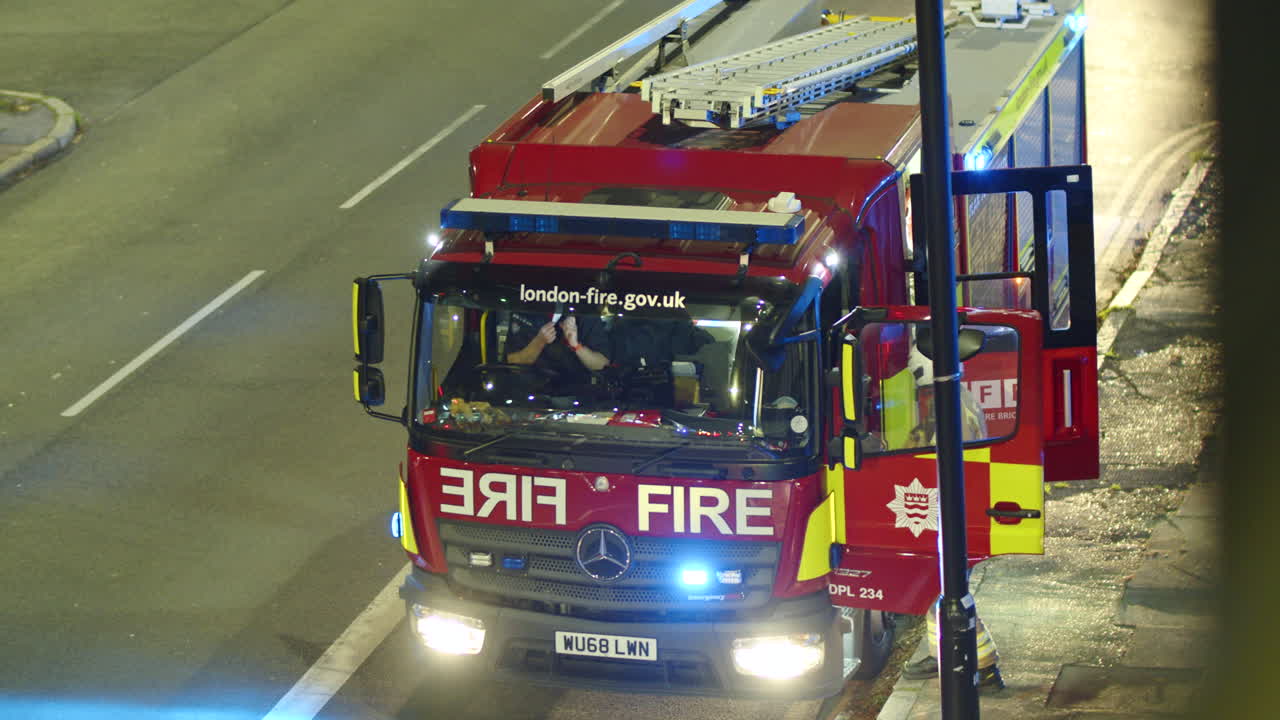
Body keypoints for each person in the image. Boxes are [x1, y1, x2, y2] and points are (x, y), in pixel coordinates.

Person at [505, 313, 610, 387]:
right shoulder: (527, 306)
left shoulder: (584, 313)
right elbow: (511, 361)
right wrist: (539, 342)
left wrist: (576, 345)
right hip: (529, 394)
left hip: (575, 397)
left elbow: (602, 364)